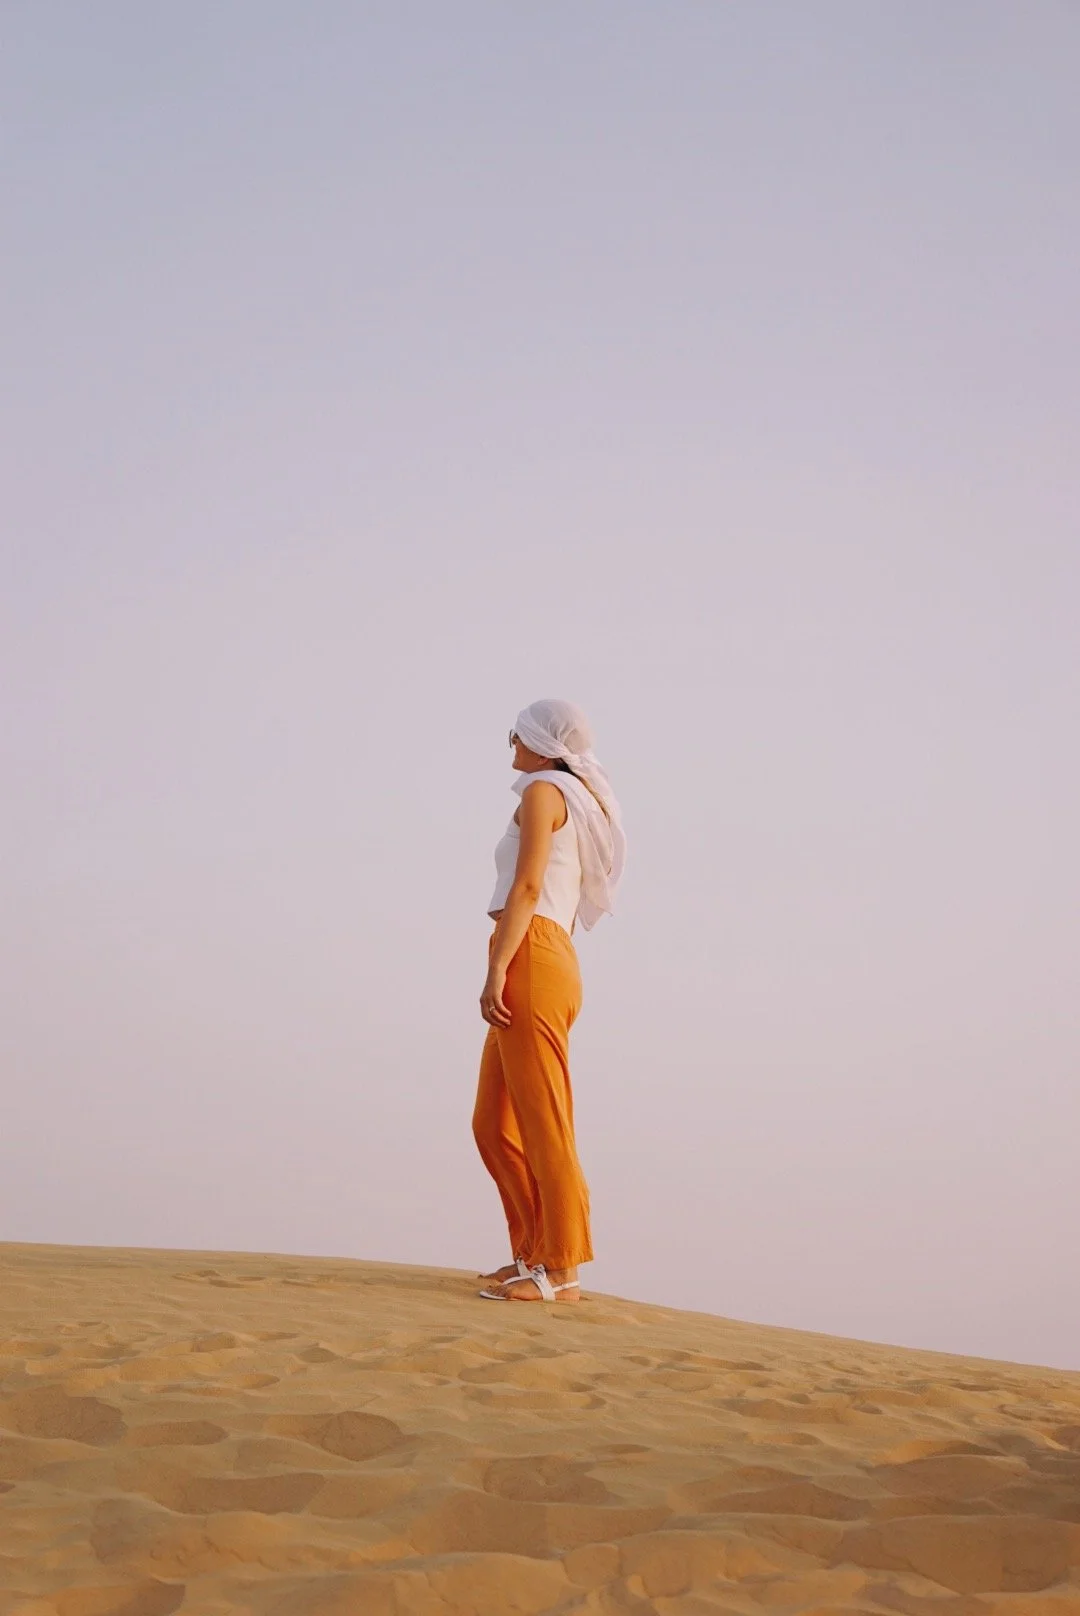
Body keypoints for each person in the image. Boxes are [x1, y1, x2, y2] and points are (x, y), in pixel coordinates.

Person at [473, 699, 625, 1303]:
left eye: (515, 731)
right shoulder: (562, 793)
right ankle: (531, 1252)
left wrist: (496, 969)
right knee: (492, 1123)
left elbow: (528, 885)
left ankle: (561, 1271)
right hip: (536, 953)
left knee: (544, 1123)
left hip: (532, 954)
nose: (510, 740)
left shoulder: (542, 791)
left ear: (538, 740)